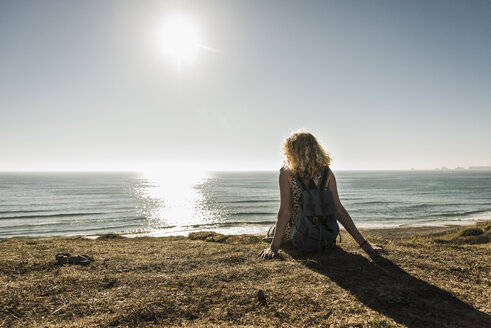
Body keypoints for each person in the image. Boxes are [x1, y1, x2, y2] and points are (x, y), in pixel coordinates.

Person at [259, 130, 385, 260]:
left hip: (298, 236)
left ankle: (276, 238)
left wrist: (273, 248)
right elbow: (339, 210)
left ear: (291, 151)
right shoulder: (326, 173)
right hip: (325, 237)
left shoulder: (286, 173)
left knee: (271, 231)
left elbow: (285, 212)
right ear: (316, 149)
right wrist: (364, 244)